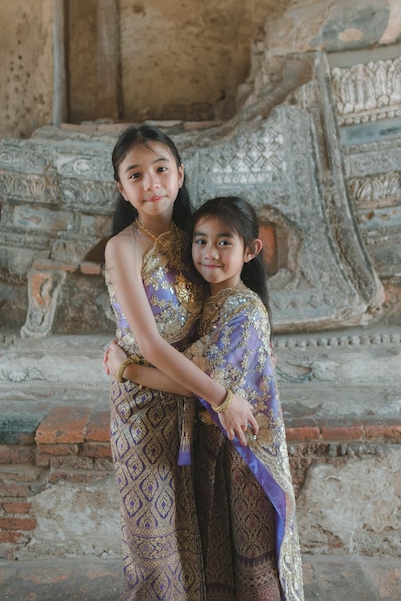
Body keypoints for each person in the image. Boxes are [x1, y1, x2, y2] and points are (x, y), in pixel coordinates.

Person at [106, 196, 305, 601]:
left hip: (246, 458)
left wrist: (126, 369)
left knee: (251, 562)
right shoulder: (212, 300)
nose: (209, 253)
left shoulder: (243, 312)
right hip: (218, 449)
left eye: (224, 242)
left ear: (251, 250)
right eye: (200, 241)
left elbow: (194, 381)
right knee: (220, 561)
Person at [104, 126, 258, 600]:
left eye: (161, 169)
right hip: (145, 409)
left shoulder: (197, 239)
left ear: (179, 174)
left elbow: (220, 315)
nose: (151, 182)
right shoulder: (122, 247)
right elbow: (149, 344)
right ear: (121, 188)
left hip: (197, 408)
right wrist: (223, 397)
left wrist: (223, 391)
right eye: (136, 174)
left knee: (196, 536)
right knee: (153, 542)